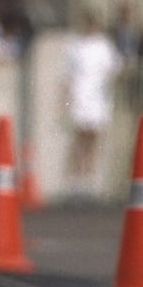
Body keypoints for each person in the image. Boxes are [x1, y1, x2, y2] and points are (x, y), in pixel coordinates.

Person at [60, 10, 121, 199]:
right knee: (79, 138)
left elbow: (115, 69)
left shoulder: (104, 45)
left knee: (94, 138)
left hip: (97, 98)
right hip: (79, 97)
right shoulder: (74, 45)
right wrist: (64, 100)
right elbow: (66, 75)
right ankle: (75, 180)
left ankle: (91, 179)